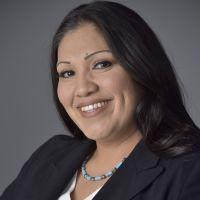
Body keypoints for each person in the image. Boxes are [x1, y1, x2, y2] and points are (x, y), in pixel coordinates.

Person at [1, 1, 200, 200]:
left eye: (101, 64)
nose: (83, 89)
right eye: (68, 72)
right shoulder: (48, 157)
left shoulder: (189, 172)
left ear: (142, 67)